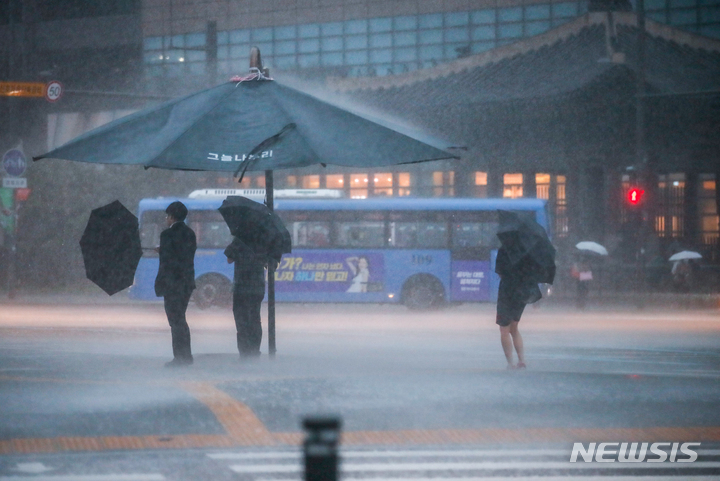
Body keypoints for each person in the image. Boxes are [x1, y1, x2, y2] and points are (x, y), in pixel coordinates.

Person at [155, 201, 197, 367]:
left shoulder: (167, 235)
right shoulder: (190, 233)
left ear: (172, 217)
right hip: (186, 283)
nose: (166, 219)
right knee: (181, 319)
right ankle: (186, 355)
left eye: (167, 216)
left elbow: (168, 261)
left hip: (172, 284)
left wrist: (162, 251)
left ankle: (180, 357)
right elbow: (185, 255)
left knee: (175, 321)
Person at [495, 246, 542, 370]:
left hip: (507, 293)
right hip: (522, 293)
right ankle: (522, 361)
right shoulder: (527, 250)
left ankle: (511, 363)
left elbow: (500, 272)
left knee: (504, 329)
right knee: (514, 327)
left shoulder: (504, 249)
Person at [225, 236, 271, 358]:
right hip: (257, 286)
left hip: (242, 286)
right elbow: (269, 261)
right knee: (255, 318)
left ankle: (245, 352)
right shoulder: (264, 240)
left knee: (242, 320)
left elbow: (229, 258)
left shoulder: (240, 239)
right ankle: (255, 351)